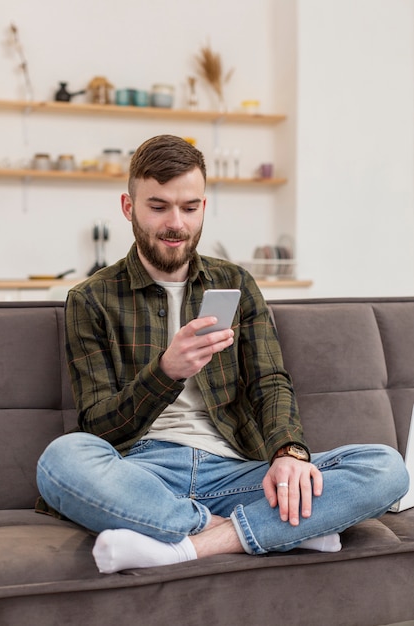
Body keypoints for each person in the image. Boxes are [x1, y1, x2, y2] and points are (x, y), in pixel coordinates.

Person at [36, 134, 408, 574]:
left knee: (386, 467)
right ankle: (268, 532)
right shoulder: (92, 298)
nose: (176, 223)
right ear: (127, 206)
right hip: (144, 475)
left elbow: (270, 382)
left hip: (235, 472)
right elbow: (98, 426)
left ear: (204, 207)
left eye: (190, 208)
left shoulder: (236, 282)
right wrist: (166, 372)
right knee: (61, 461)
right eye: (158, 207)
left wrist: (289, 453)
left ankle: (184, 546)